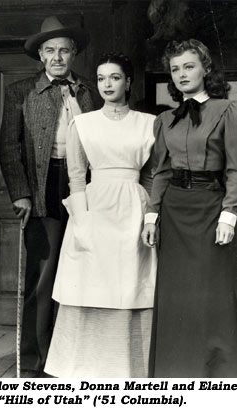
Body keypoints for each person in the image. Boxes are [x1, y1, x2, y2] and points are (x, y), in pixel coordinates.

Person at [141, 39, 237, 377]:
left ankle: (218, 376)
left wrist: (230, 214)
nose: (181, 74)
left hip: (211, 210)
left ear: (205, 69)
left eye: (189, 66)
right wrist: (152, 215)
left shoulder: (231, 111)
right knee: (177, 298)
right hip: (174, 215)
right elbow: (160, 171)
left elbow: (236, 168)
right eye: (175, 69)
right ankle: (177, 374)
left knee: (212, 296)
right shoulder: (164, 120)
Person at [0, 15, 101, 377]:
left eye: (64, 51)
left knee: (82, 274)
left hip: (87, 191)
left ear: (73, 54)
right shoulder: (20, 92)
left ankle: (74, 358)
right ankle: (35, 365)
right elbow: (9, 148)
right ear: (41, 55)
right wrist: (22, 194)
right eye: (50, 51)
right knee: (43, 279)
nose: (57, 57)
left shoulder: (91, 91)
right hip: (43, 188)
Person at [44, 53, 157, 378]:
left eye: (115, 78)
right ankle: (85, 370)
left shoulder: (149, 123)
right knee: (91, 286)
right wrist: (82, 224)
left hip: (134, 208)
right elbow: (76, 177)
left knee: (130, 285)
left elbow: (150, 176)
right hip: (94, 210)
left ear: (128, 82)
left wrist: (148, 216)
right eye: (102, 78)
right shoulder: (83, 123)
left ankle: (129, 368)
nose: (107, 84)